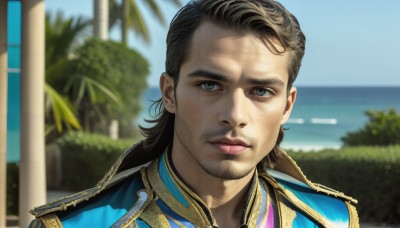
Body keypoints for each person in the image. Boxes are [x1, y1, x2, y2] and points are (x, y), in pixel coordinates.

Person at [29, 0, 359, 227]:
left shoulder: (333, 220)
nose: (234, 114)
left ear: (287, 105)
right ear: (169, 93)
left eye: (261, 91)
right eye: (210, 85)